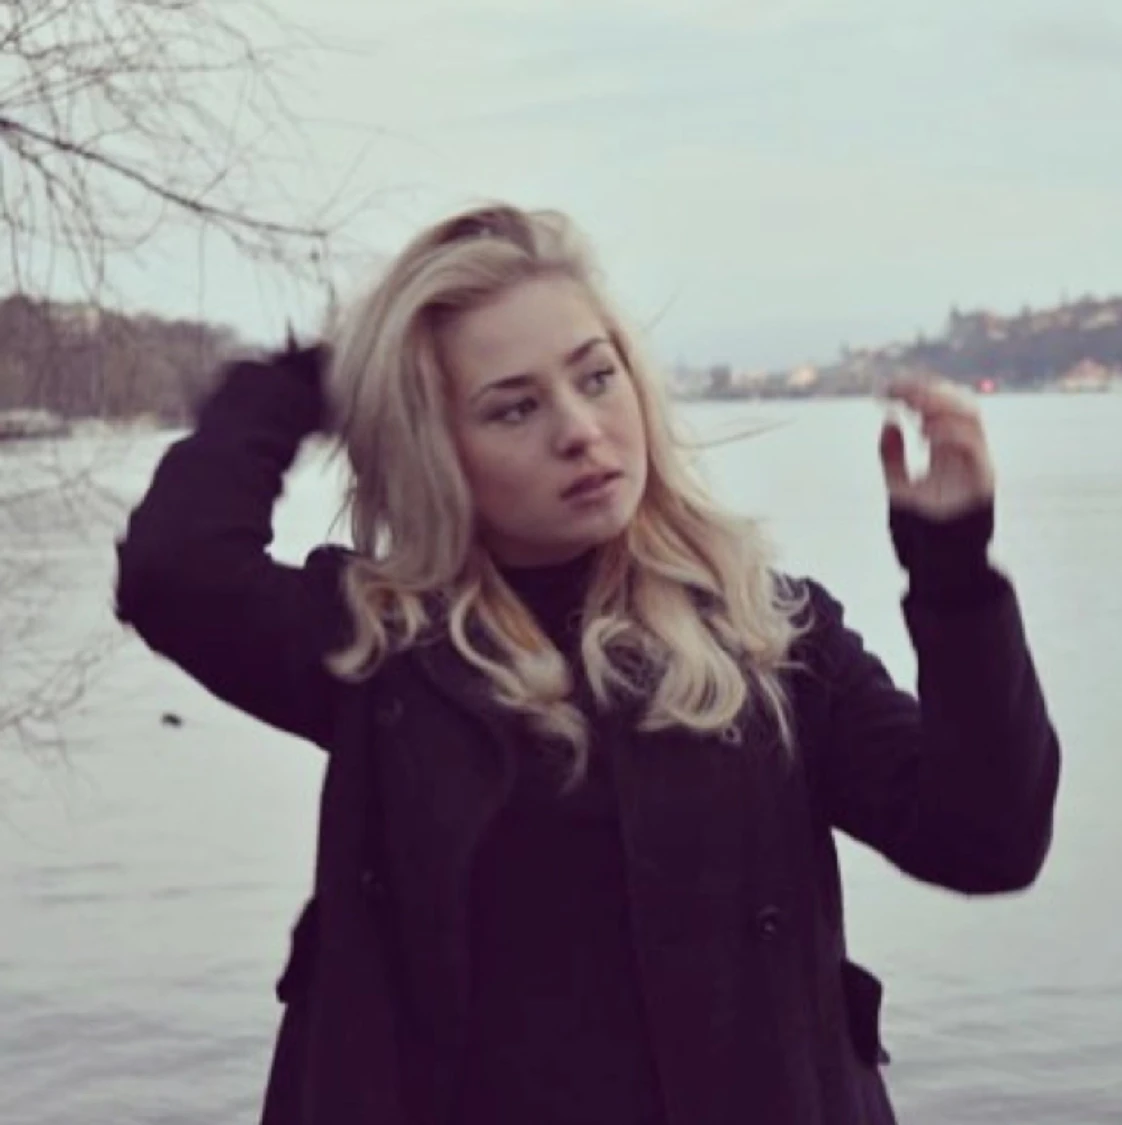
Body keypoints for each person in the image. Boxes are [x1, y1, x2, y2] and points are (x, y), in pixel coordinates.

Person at [114, 203, 1061, 1125]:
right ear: (434, 449)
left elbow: (987, 836)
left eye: (596, 376)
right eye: (514, 407)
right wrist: (305, 378)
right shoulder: (380, 650)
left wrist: (952, 568)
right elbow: (172, 570)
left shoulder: (767, 633)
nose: (579, 429)